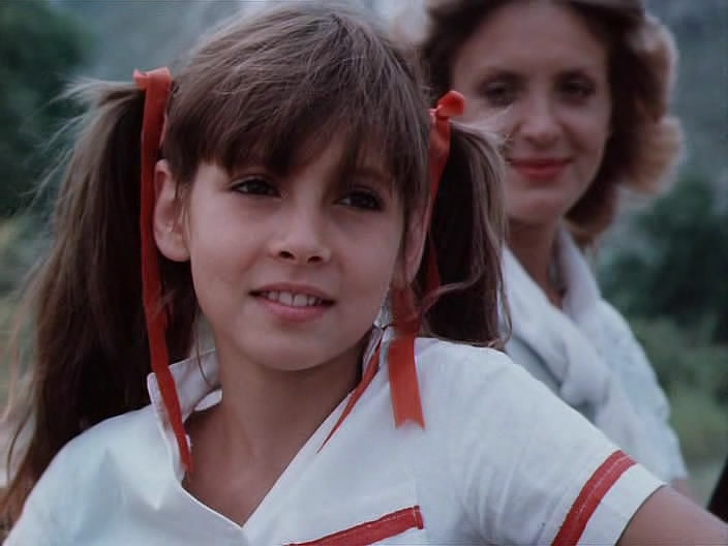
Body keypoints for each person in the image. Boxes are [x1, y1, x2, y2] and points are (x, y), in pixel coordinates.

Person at [2, 3, 725, 544]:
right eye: (256, 186)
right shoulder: (87, 485)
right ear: (172, 211)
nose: (303, 241)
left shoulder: (470, 412)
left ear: (411, 238)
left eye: (358, 199)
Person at [393, 0, 691, 493]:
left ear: (615, 111)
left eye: (575, 89)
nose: (541, 127)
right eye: (500, 91)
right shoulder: (409, 323)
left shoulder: (608, 335)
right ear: (433, 110)